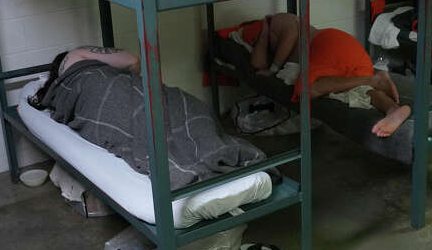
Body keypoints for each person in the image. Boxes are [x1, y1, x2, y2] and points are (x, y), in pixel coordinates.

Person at [30, 46, 269, 191]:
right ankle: (211, 150)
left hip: (99, 98)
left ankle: (186, 158)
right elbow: (133, 62)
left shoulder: (60, 89)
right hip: (106, 89)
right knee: (172, 106)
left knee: (148, 118)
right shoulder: (76, 56)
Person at [249, 13, 411, 138]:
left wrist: (274, 67)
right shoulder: (270, 31)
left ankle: (373, 80)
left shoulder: (278, 20)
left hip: (326, 45)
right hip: (345, 50)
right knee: (357, 90)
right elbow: (258, 64)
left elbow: (289, 35)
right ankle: (392, 109)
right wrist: (264, 34)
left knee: (307, 91)